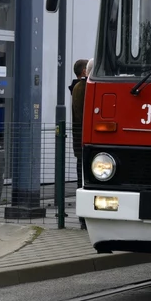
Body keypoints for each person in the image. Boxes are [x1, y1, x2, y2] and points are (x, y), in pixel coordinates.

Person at [70, 58, 89, 229]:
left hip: (80, 143)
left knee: (81, 179)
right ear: (84, 72)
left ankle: (84, 218)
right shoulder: (82, 88)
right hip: (83, 143)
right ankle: (84, 218)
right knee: (83, 180)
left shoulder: (77, 88)